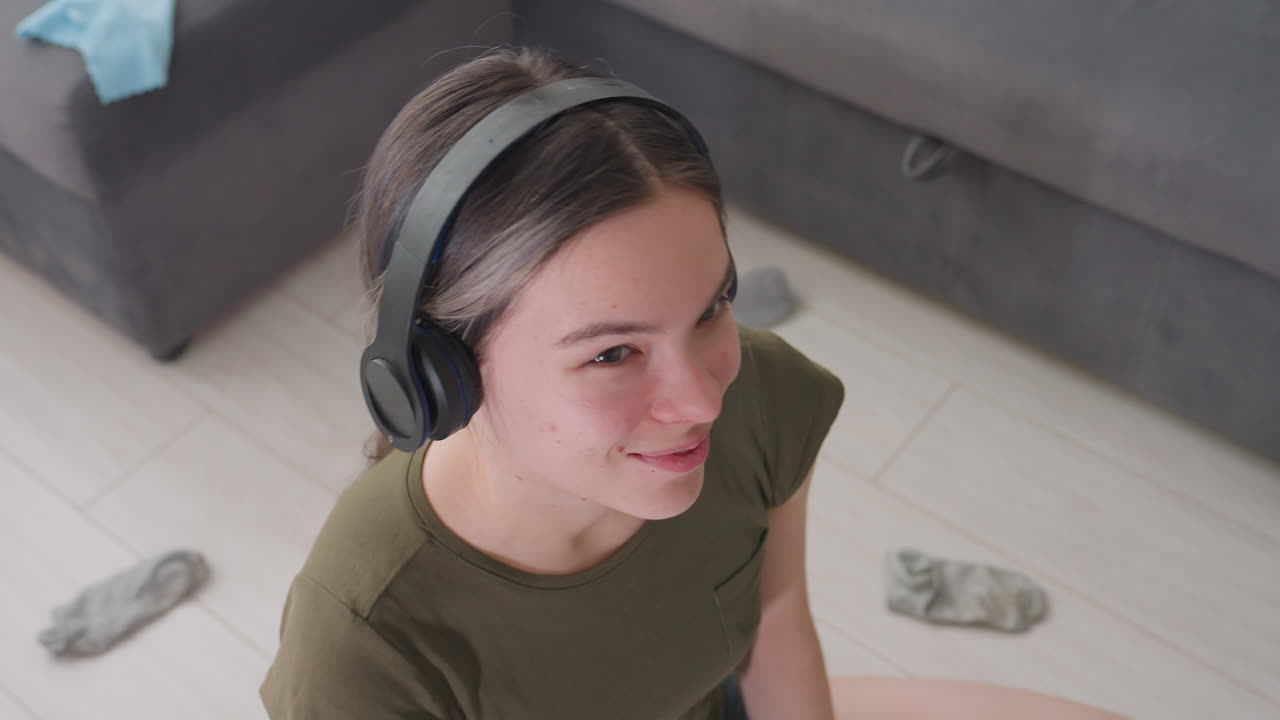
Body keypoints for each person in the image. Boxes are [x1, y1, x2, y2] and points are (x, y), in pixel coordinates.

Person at [260, 47, 1127, 720]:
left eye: (712, 307)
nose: (704, 401)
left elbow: (777, 629)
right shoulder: (362, 637)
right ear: (439, 371)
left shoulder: (762, 398)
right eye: (612, 354)